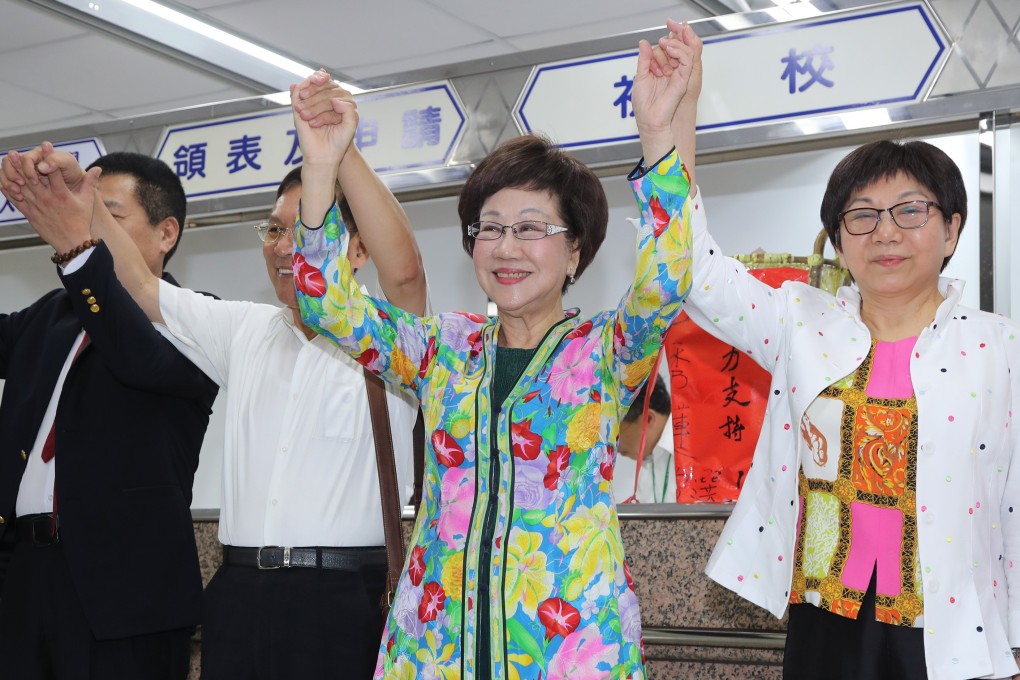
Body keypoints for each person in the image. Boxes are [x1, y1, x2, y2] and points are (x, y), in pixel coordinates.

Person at [290, 26, 697, 679]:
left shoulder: (603, 353)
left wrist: (658, 133)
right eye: (490, 229)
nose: (507, 248)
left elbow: (670, 278)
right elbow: (323, 302)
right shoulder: (442, 350)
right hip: (433, 651)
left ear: (574, 253)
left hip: (567, 653)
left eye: (532, 229)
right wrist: (321, 165)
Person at [0, 72, 427, 679]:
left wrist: (337, 154)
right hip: (239, 591)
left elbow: (406, 272)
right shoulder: (242, 328)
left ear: (357, 251)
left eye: (309, 229)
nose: (286, 247)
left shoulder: (397, 344)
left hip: (344, 596)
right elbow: (143, 286)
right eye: (275, 229)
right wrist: (84, 208)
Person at [652, 19, 1020, 680]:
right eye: (862, 215)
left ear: (951, 229)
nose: (887, 232)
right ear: (840, 240)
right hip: (826, 624)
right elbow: (690, 271)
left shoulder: (1001, 350)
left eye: (911, 210)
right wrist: (670, 123)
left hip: (951, 632)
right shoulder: (801, 321)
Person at [0, 151, 218, 679]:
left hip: (126, 597)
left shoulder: (200, 321)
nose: (88, 228)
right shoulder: (51, 314)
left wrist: (78, 250)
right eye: (80, 214)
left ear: (166, 233)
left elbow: (131, 352)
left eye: (105, 217)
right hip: (24, 579)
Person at [614, 374, 677, 504]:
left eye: (615, 432)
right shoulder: (648, 458)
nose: (611, 443)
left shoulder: (695, 452)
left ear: (648, 419)